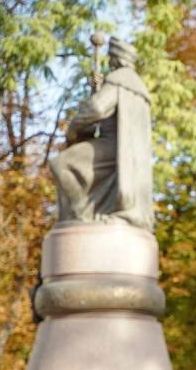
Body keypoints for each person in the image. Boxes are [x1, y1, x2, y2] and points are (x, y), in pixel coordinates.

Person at [49, 37, 153, 231]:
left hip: (114, 146)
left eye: (110, 58)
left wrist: (73, 129)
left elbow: (97, 108)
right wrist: (99, 87)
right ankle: (85, 213)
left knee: (61, 164)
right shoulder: (137, 86)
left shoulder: (119, 79)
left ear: (115, 59)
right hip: (127, 151)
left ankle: (80, 214)